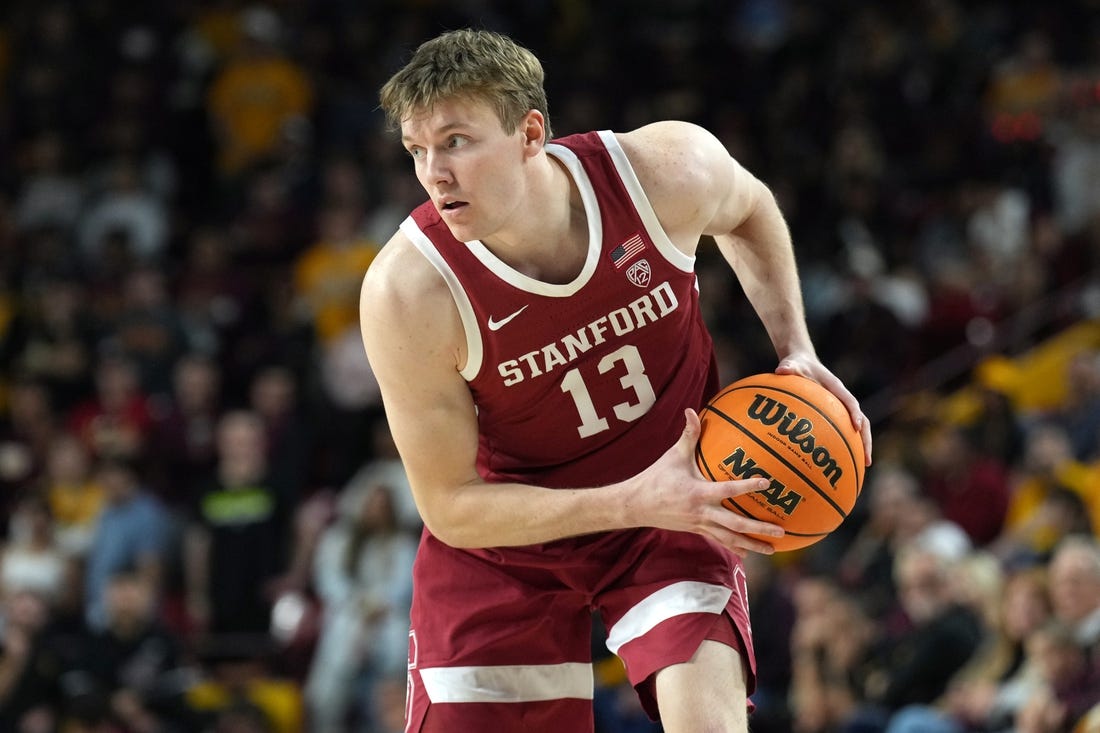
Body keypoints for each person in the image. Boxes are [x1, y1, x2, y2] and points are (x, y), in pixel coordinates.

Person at [360, 28, 872, 733]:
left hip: (673, 498)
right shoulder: (410, 291)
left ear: (531, 132)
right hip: (510, 539)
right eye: (417, 149)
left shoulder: (661, 172)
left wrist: (797, 349)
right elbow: (449, 504)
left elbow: (749, 208)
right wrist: (632, 499)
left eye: (455, 141)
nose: (433, 172)